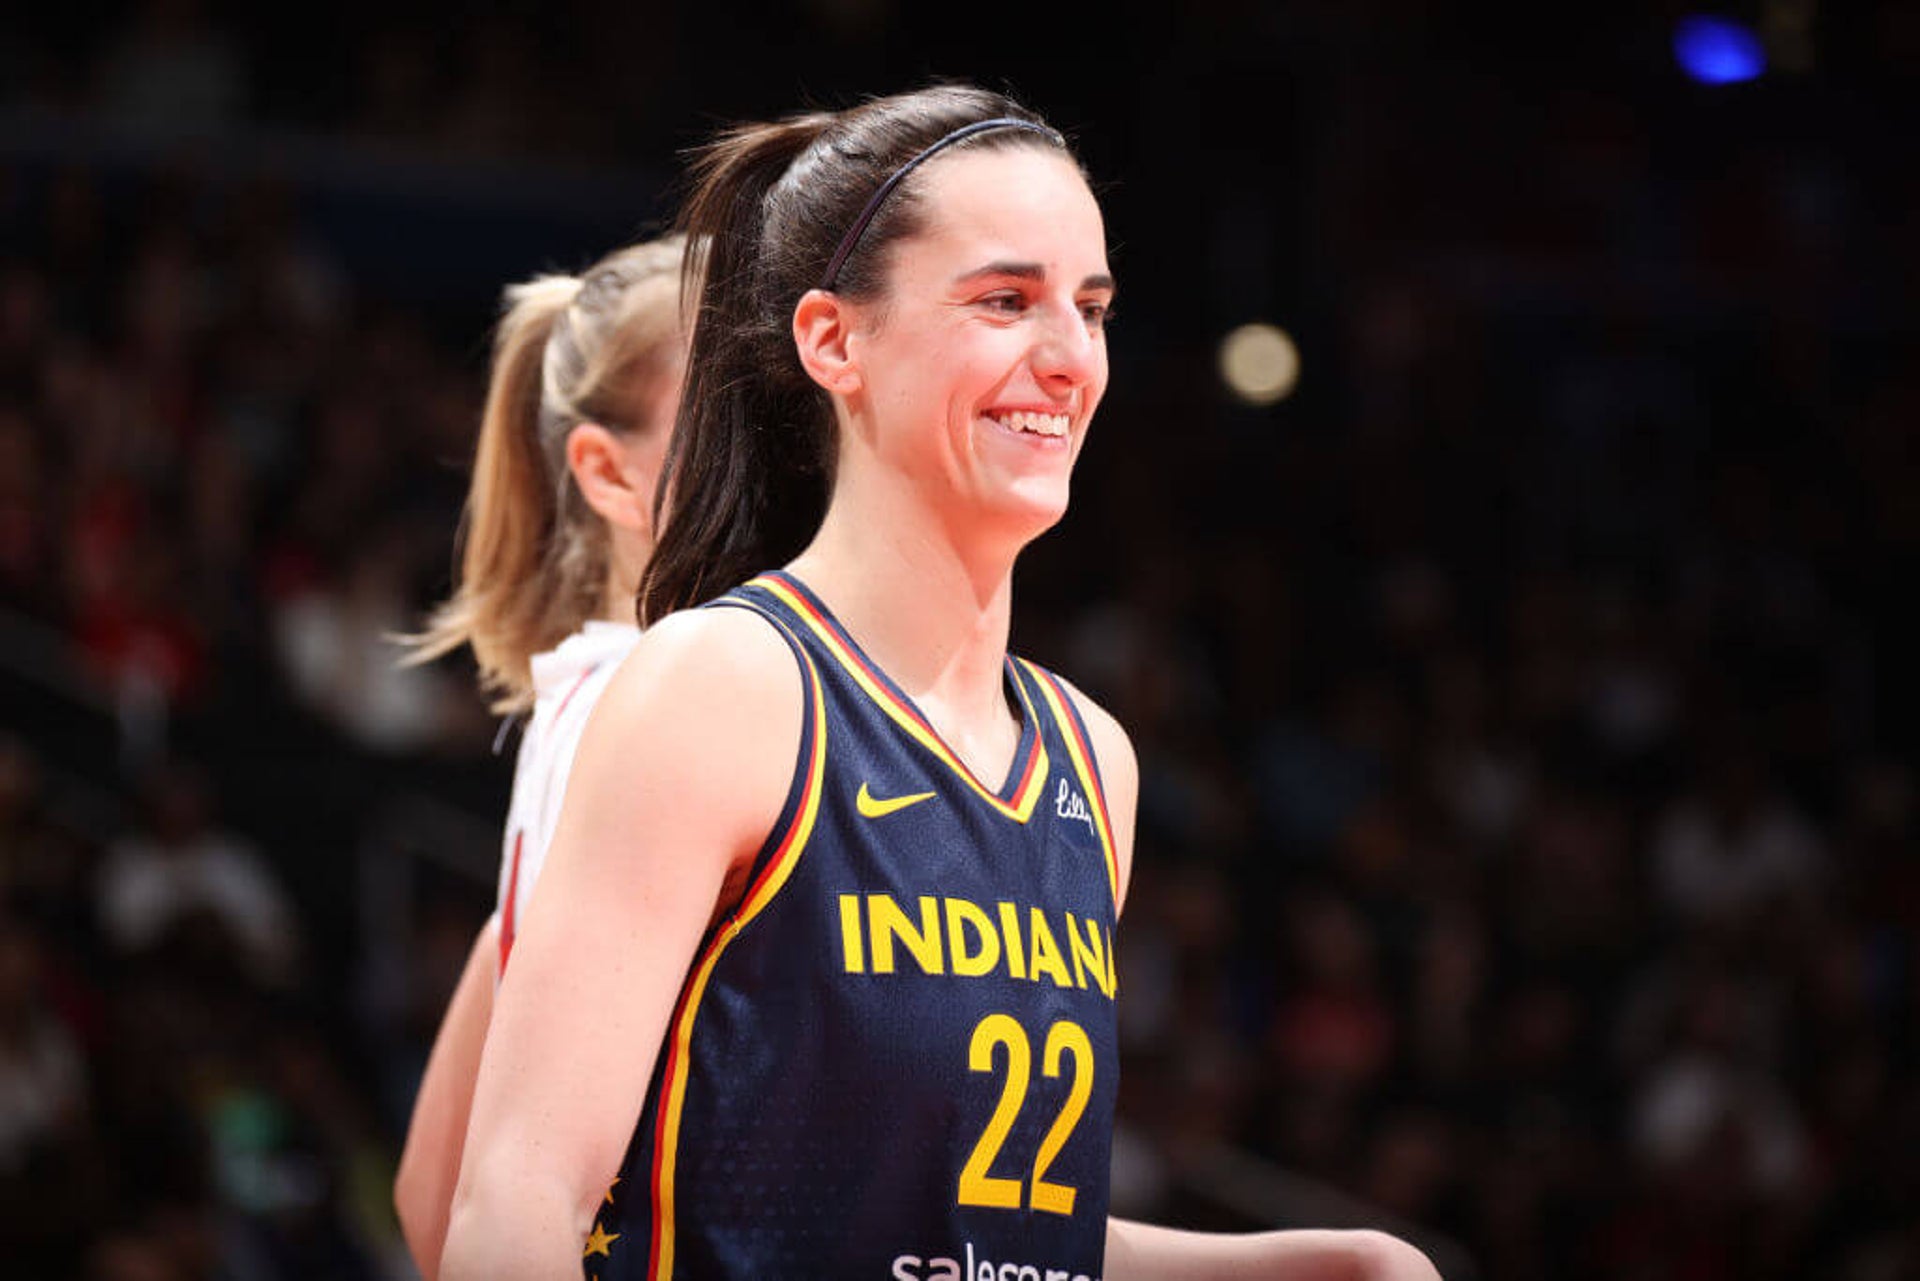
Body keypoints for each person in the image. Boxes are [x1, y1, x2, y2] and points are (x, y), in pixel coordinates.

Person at [440, 86, 1439, 1280]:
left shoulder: (1090, 758)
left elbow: (970, 1231)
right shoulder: (724, 687)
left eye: (1093, 307)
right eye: (1006, 301)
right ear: (832, 340)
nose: (1068, 357)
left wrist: (1315, 1267)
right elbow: (515, 1192)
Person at [392, 236, 689, 1278]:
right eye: (730, 419)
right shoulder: (662, 700)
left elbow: (434, 1197)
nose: (787, 452)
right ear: (608, 471)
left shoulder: (595, 699)